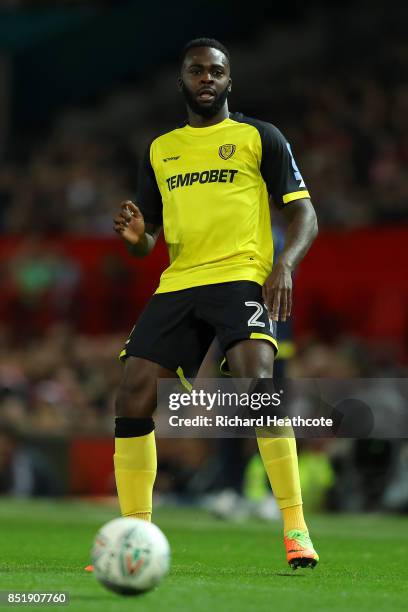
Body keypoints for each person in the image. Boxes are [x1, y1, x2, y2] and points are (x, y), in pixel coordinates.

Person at [113, 37, 319, 569]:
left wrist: (284, 265)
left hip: (240, 277)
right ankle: (135, 537)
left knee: (258, 383)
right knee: (133, 392)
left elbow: (306, 215)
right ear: (181, 80)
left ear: (230, 81)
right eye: (197, 71)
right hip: (180, 281)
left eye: (217, 71)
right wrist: (138, 239)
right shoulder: (161, 150)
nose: (207, 78)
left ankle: (295, 529)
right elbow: (147, 242)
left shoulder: (259, 137)